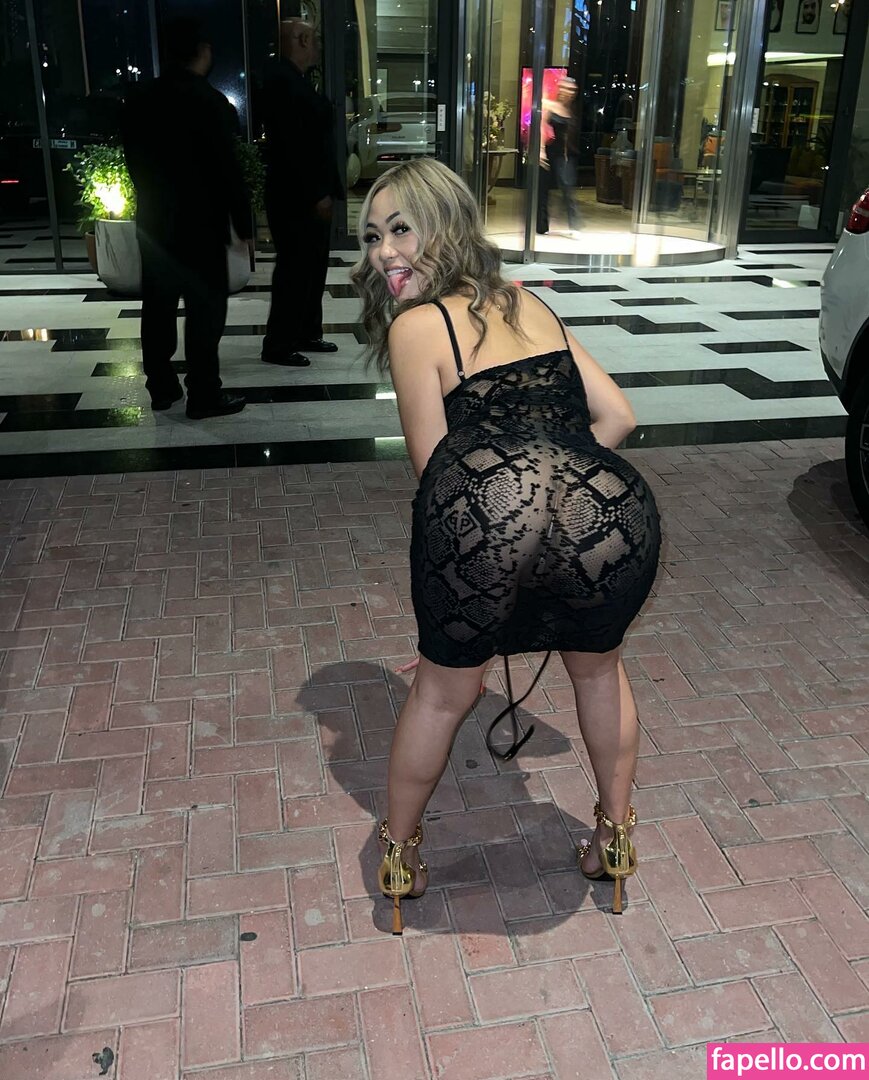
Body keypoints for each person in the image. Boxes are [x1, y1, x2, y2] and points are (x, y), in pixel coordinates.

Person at [351, 159, 661, 932]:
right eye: (370, 237)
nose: (383, 253)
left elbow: (437, 473)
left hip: (489, 514)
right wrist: (556, 483)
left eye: (399, 229)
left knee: (439, 691)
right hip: (609, 508)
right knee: (599, 672)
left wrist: (477, 584)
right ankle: (614, 841)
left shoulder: (417, 326)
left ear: (444, 224)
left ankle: (399, 859)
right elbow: (618, 416)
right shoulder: (528, 300)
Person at [122, 16, 250, 420]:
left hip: (156, 223)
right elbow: (227, 170)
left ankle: (161, 387)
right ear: (202, 51)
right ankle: (203, 393)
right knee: (205, 312)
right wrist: (243, 225)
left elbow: (134, 162)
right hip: (202, 225)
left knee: (157, 307)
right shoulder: (210, 103)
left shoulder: (140, 99)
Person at [259, 19, 345, 368]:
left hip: (304, 194)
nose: (319, 46)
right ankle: (279, 344)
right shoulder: (283, 81)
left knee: (311, 266)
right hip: (296, 197)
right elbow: (293, 147)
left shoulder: (294, 79)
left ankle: (306, 331)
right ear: (303, 40)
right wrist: (317, 193)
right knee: (295, 269)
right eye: (315, 39)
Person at [537, 78, 580, 236]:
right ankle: (541, 226)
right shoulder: (549, 105)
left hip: (563, 155)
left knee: (567, 187)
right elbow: (541, 126)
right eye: (565, 88)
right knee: (543, 190)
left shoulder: (570, 110)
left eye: (572, 90)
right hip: (548, 151)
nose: (568, 92)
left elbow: (568, 136)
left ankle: (574, 225)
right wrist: (541, 150)